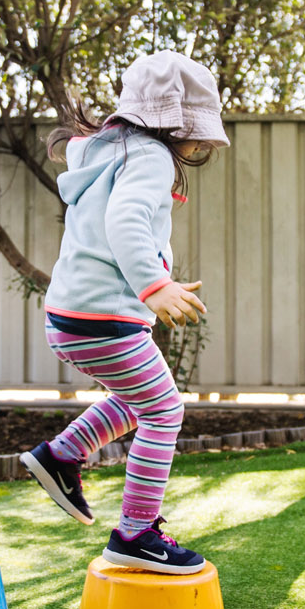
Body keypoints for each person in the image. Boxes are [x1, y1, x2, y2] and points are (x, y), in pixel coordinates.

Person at [20, 52, 228, 574]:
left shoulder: (108, 150)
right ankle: (135, 532)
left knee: (139, 400)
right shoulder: (151, 156)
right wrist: (155, 285)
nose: (201, 145)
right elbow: (127, 219)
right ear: (172, 122)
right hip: (105, 318)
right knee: (165, 410)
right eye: (198, 133)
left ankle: (62, 453)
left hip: (72, 317)